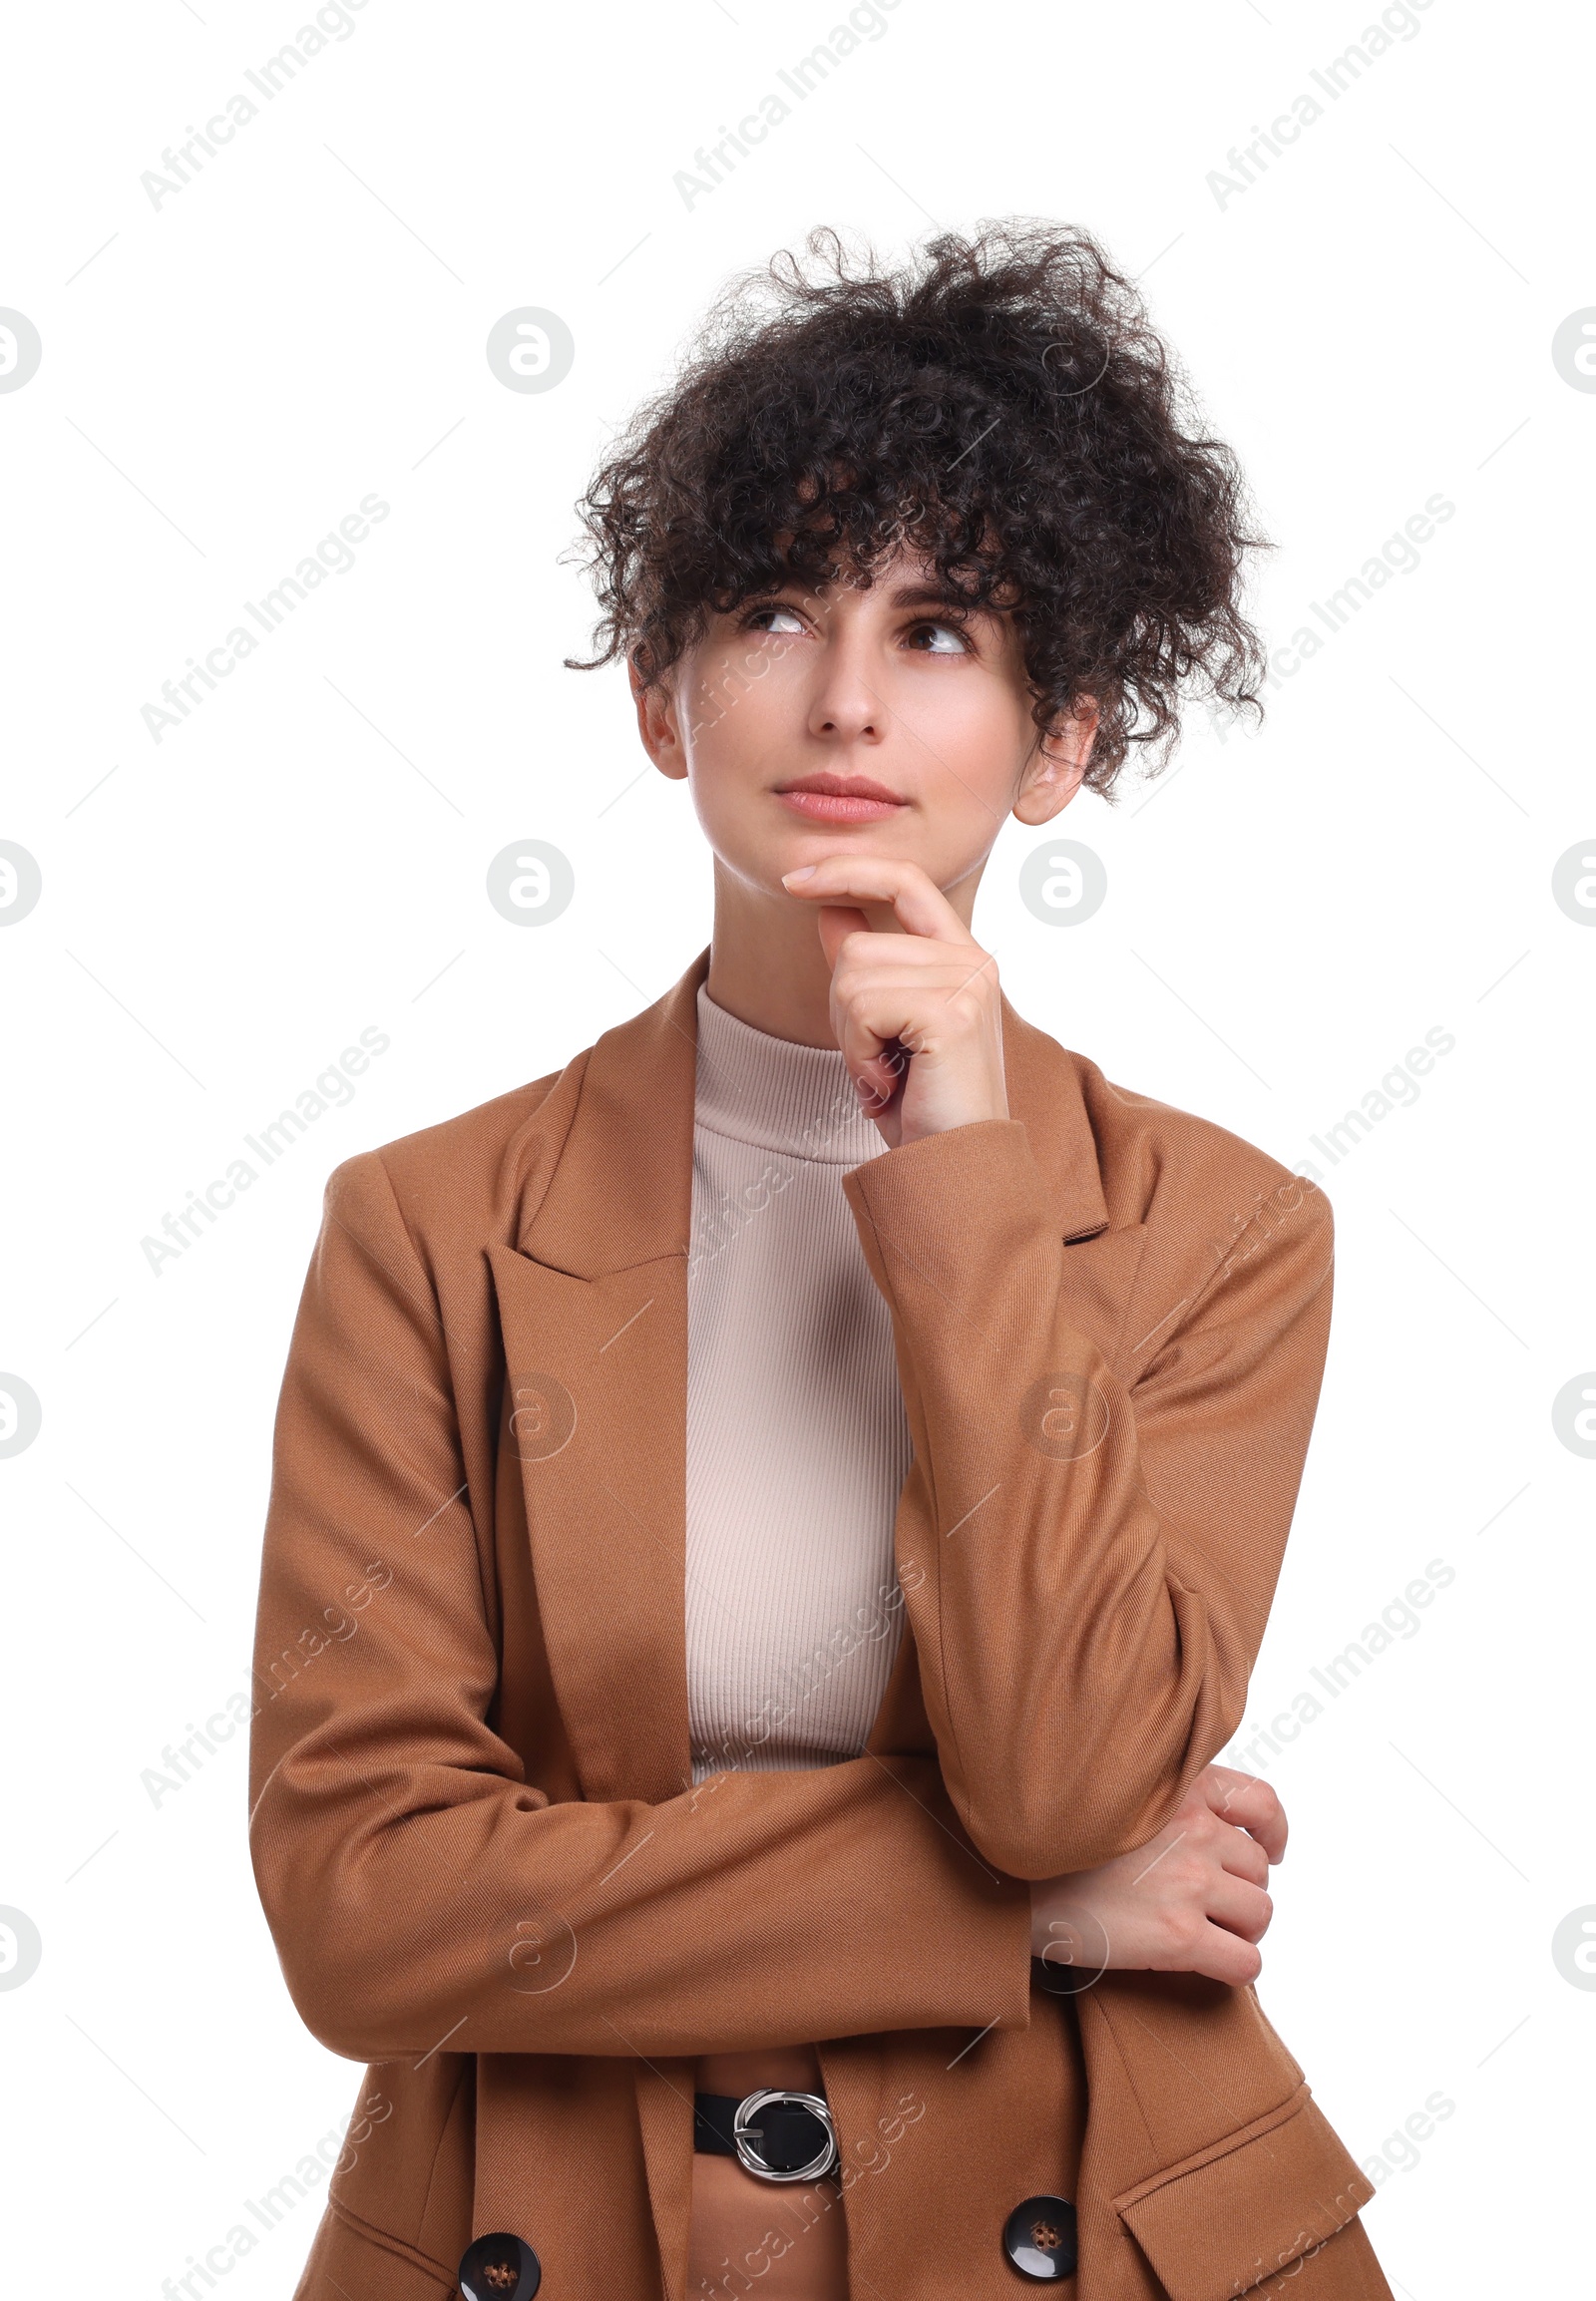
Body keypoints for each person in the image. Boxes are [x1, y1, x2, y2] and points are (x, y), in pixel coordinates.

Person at [248, 223, 1392, 2300]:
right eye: (771, 607)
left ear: (1061, 743)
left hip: (1073, 2224)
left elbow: (1061, 1771)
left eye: (941, 627)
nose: (847, 697)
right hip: (549, 2230)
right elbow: (368, 1910)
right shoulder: (424, 1229)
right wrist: (1015, 1915)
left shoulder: (1220, 1237)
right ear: (660, 699)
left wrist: (958, 1168)